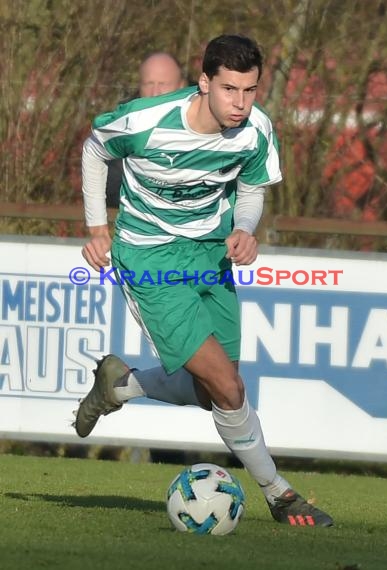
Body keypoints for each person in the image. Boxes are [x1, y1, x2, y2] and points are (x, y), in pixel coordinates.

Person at [76, 34, 333, 527]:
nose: (240, 103)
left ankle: (121, 385)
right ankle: (281, 495)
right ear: (204, 83)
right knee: (228, 387)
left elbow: (252, 187)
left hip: (211, 255)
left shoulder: (257, 130)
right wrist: (95, 227)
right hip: (151, 259)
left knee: (210, 391)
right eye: (230, 89)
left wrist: (245, 227)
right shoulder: (147, 121)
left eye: (250, 90)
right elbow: (95, 151)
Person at [106, 52, 186, 208]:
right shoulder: (121, 127)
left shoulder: (206, 124)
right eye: (149, 84)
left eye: (163, 84)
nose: (155, 93)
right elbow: (109, 186)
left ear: (181, 86)